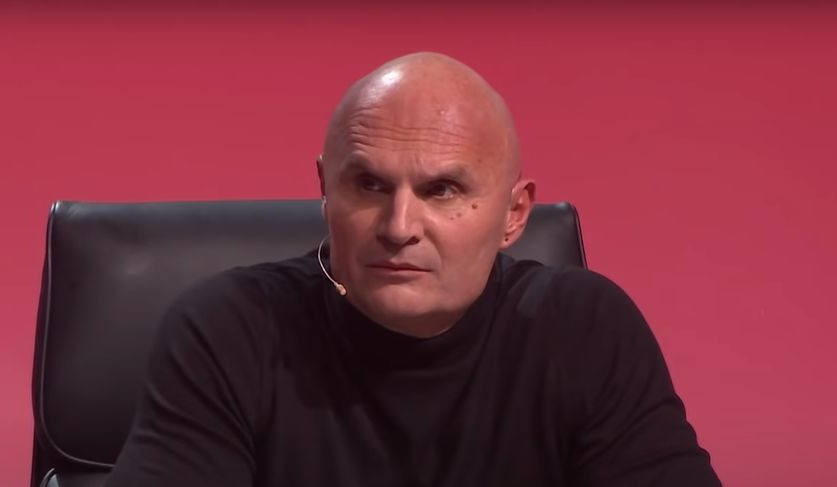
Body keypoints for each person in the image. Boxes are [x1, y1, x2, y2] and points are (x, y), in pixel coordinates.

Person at [106, 52, 721, 486]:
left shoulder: (584, 330)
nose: (399, 226)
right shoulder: (229, 331)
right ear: (325, 190)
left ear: (514, 215)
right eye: (369, 184)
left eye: (442, 190)